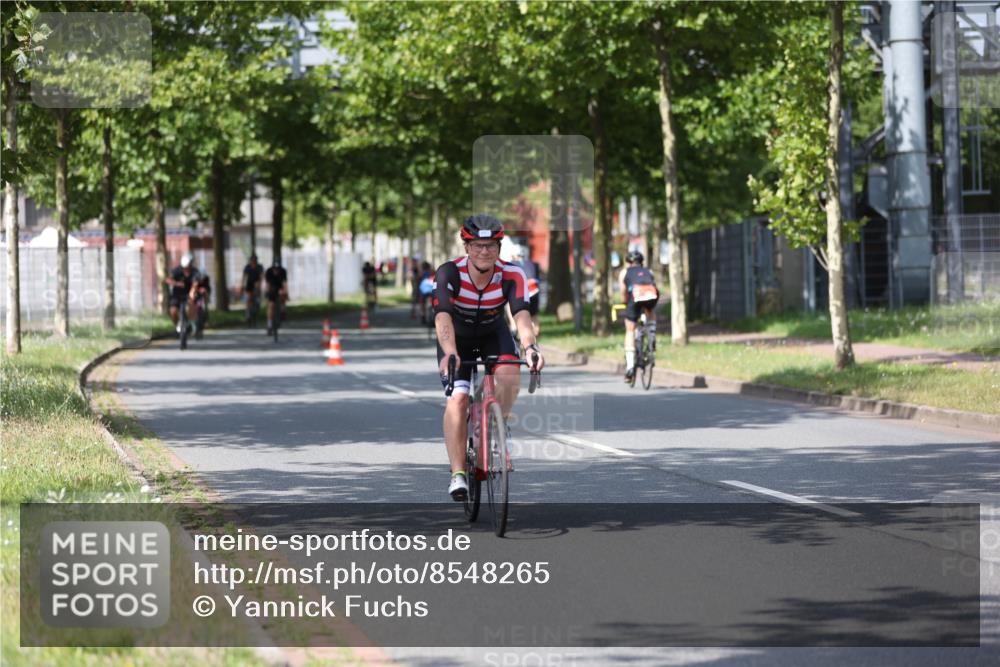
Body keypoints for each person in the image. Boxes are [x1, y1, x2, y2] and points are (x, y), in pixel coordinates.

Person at [433, 214, 545, 500]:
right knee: (458, 398)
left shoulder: (512, 273)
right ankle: (458, 473)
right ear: (467, 247)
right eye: (478, 245)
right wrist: (450, 354)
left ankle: (493, 421)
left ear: (499, 247)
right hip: (456, 338)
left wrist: (531, 347)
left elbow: (521, 315)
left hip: (493, 333)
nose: (485, 251)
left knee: (510, 373)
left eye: (491, 245)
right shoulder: (449, 273)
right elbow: (443, 316)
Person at [618, 250, 659, 382]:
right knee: (650, 312)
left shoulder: (625, 272)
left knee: (630, 329)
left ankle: (630, 366)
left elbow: (623, 293)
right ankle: (652, 334)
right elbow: (653, 285)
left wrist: (625, 303)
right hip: (651, 295)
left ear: (628, 262)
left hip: (635, 297)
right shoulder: (648, 271)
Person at [165, 252, 198, 336]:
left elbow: (195, 283)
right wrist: (176, 283)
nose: (185, 269)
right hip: (177, 294)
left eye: (187, 267)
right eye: (184, 267)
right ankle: (177, 325)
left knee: (192, 303)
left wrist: (192, 292)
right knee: (173, 311)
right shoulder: (177, 270)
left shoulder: (194, 272)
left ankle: (191, 322)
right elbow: (168, 279)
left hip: (188, 293)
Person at [511, 247, 541, 338]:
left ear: (515, 256)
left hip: (522, 292)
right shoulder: (534, 264)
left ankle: (514, 328)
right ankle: (536, 334)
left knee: (517, 313)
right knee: (534, 315)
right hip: (534, 291)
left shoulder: (512, 264)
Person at [264, 259, 289, 335]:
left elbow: (284, 283)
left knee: (282, 295)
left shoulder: (283, 271)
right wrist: (267, 292)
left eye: (277, 269)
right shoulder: (268, 272)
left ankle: (282, 310)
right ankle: (269, 325)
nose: (276, 271)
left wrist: (286, 292)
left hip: (280, 287)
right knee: (271, 306)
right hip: (272, 288)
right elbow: (268, 284)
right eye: (275, 269)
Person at [240, 254, 264, 325]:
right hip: (249, 284)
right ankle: (248, 315)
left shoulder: (259, 267)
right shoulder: (247, 267)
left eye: (254, 261)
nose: (253, 262)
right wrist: (242, 286)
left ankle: (256, 309)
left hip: (257, 284)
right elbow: (244, 277)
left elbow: (262, 276)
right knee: (248, 299)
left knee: (257, 299)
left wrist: (259, 284)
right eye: (252, 261)